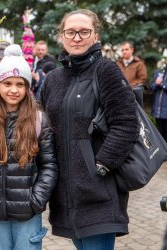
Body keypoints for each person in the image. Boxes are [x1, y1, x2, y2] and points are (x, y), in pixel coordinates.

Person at [40, 9, 140, 250]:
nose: (77, 37)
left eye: (84, 31)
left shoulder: (106, 70)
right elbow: (41, 126)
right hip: (65, 193)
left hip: (98, 192)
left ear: (95, 36)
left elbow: (127, 123)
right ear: (61, 36)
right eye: (70, 32)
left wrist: (100, 166)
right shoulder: (53, 79)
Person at [0, 44, 58, 250]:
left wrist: (36, 200)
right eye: (7, 83)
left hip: (27, 212)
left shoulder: (38, 119)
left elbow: (49, 165)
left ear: (27, 87)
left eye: (20, 84)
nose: (13, 90)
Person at [150, 61, 167, 141]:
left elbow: (163, 85)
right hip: (158, 111)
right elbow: (152, 87)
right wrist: (156, 84)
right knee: (159, 135)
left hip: (166, 111)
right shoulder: (159, 72)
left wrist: (162, 84)